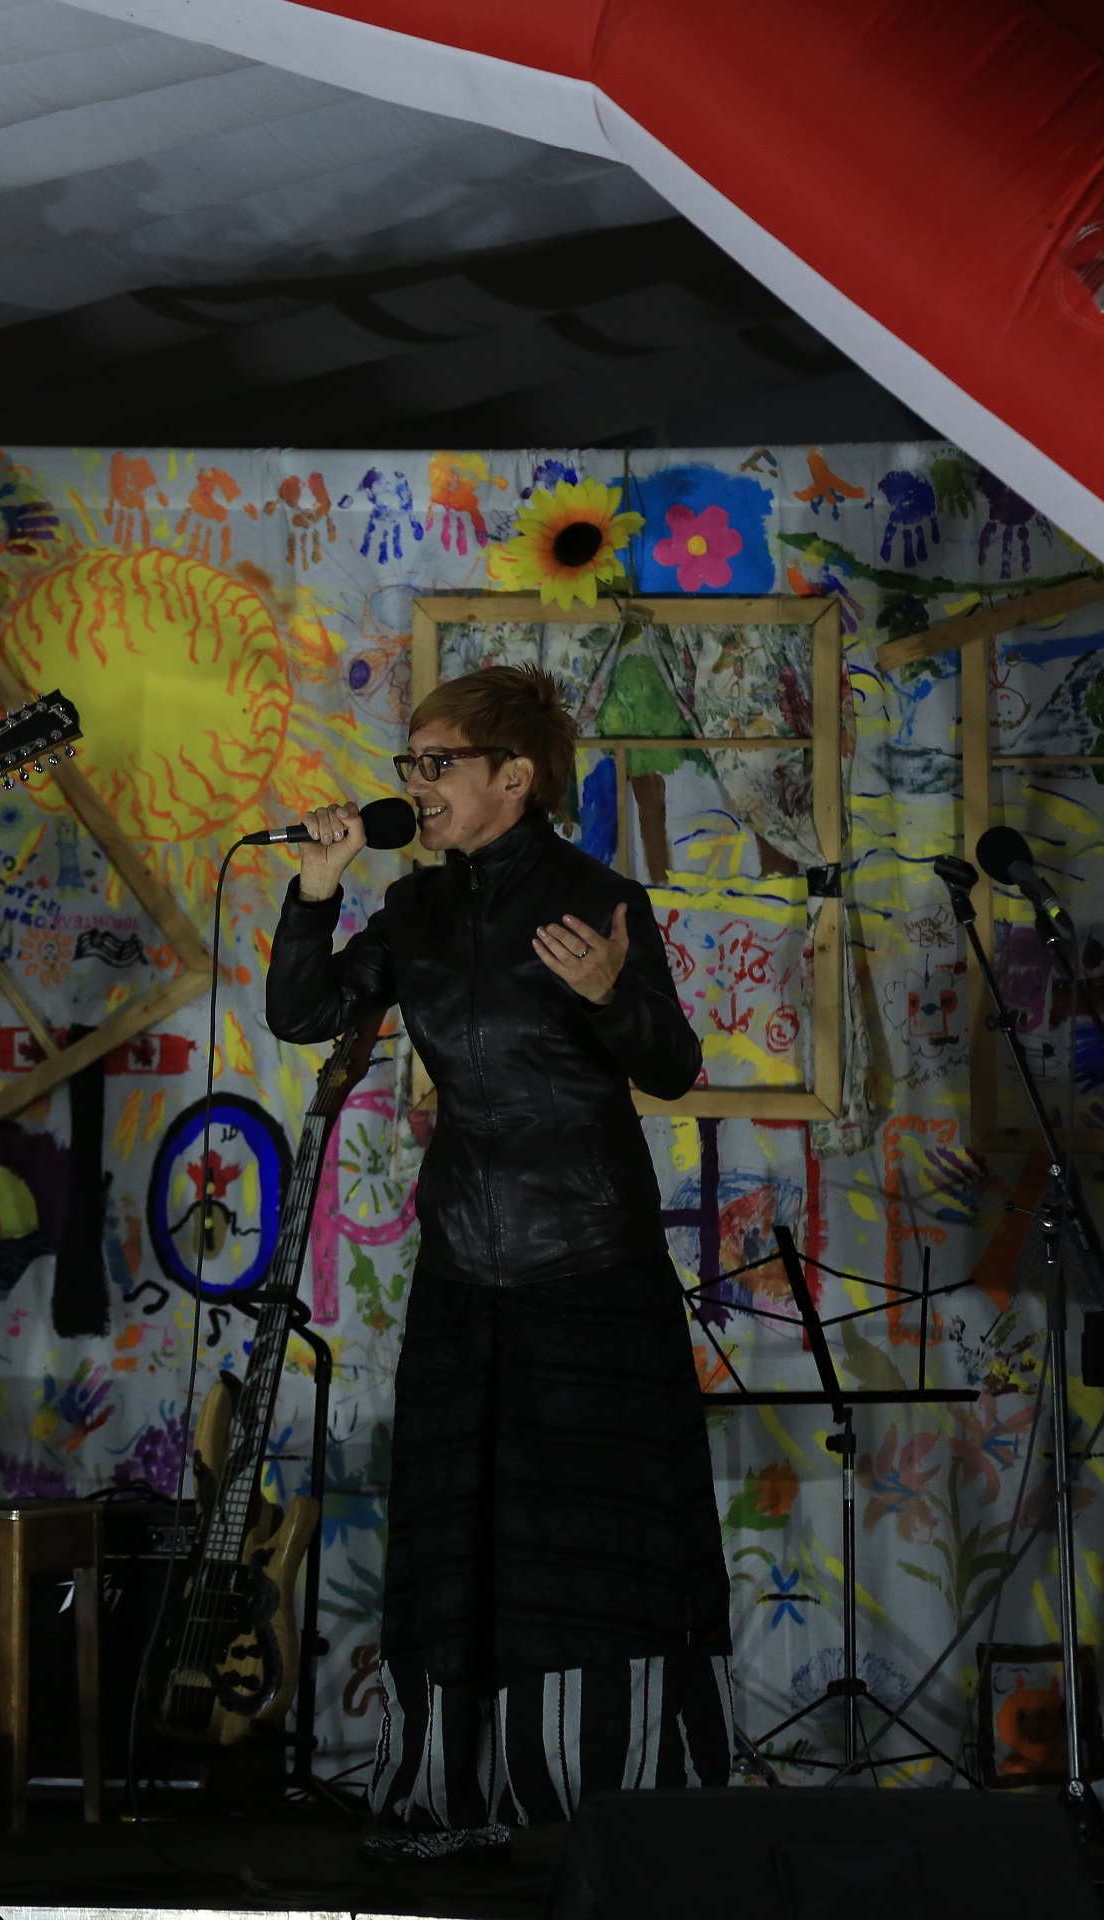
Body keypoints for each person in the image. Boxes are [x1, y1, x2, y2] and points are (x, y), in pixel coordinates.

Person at [265, 664, 731, 1863]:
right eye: (410, 762)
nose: (415, 783)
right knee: (462, 1538)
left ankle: (607, 1790)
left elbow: (672, 1067)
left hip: (591, 1264)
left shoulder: (597, 898)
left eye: (439, 763)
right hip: (466, 1266)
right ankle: (455, 1788)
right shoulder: (415, 909)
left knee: (589, 1544)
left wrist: (613, 993)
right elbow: (305, 1015)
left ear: (514, 777)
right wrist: (314, 893)